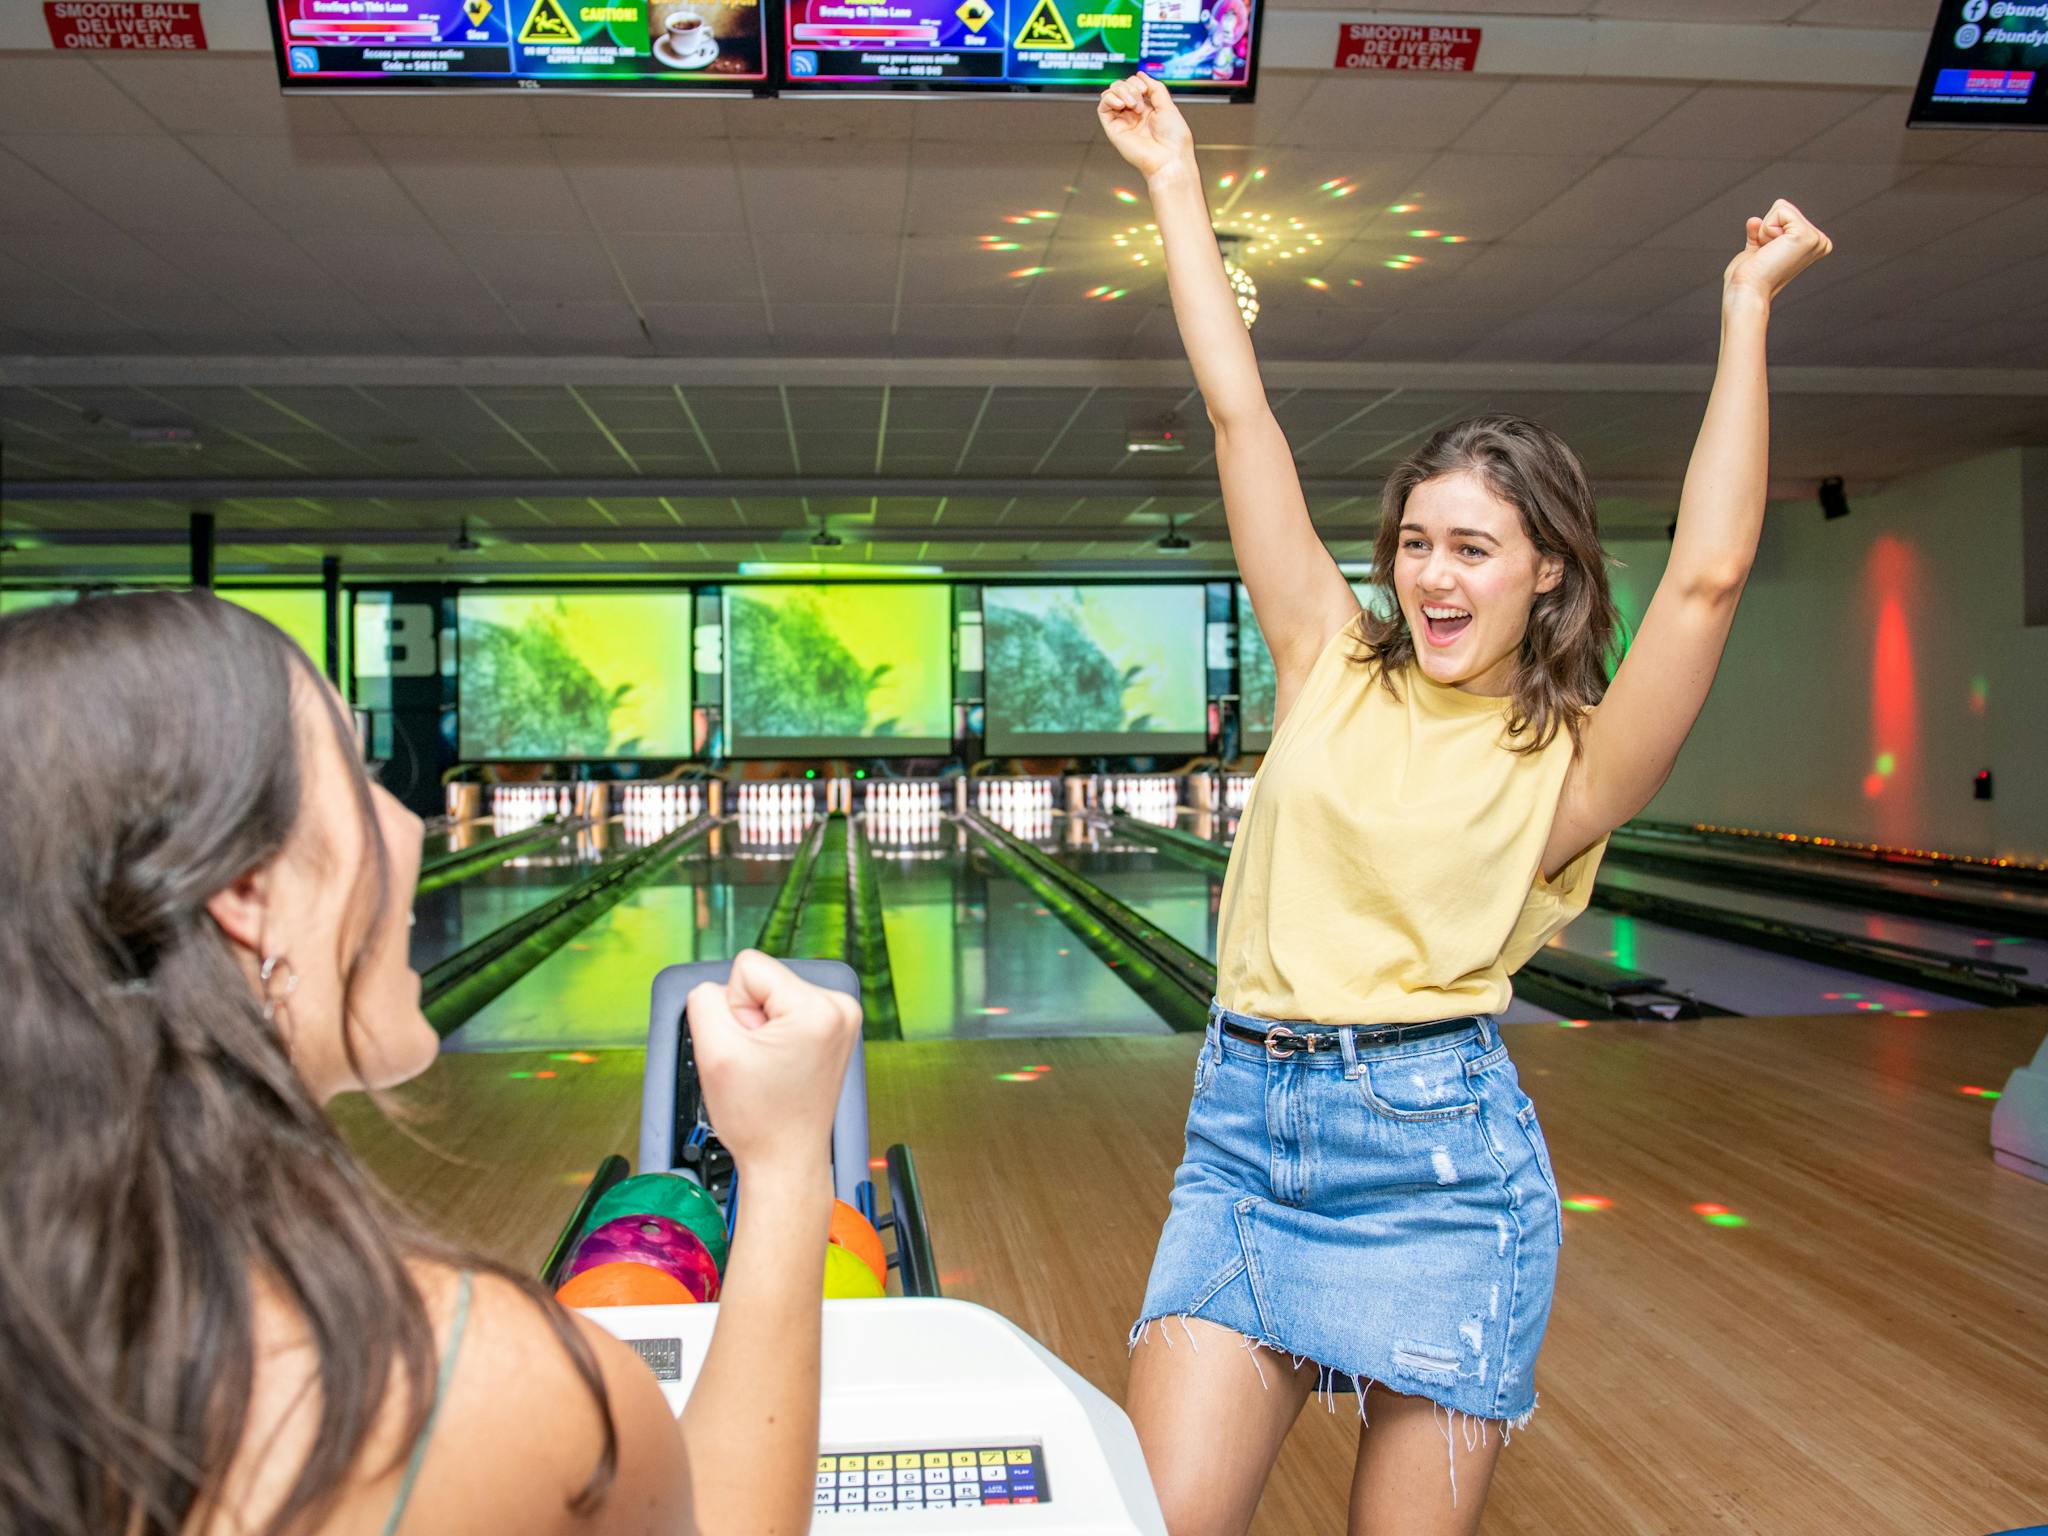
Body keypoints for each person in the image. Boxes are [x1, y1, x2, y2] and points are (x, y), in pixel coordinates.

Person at [1096, 73, 1831, 1536]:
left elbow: (1707, 573)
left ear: (1545, 567)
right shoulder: (1325, 660)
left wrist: (1746, 309)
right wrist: (1177, 182)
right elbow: (1242, 423)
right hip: (1243, 1140)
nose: (1434, 575)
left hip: (1438, 1171)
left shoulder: (1572, 766)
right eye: (1417, 542)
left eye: (1475, 549)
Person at [0, 590, 861, 1536]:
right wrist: (784, 1160)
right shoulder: (475, 1385)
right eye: (366, 780)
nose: (409, 826)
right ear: (250, 890)